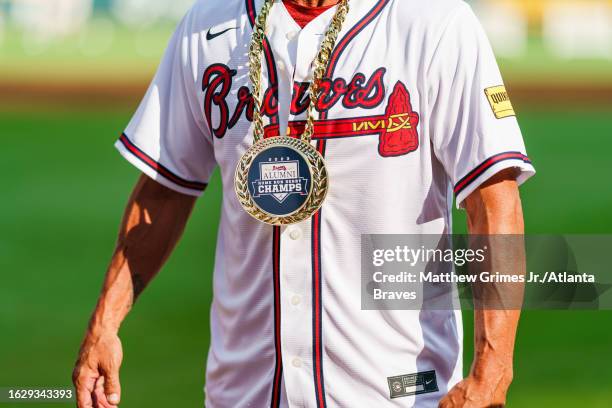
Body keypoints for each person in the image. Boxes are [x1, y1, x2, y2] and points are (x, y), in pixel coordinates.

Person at [73, 0, 535, 407]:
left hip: (397, 390)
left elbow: (492, 202)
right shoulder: (207, 26)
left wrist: (493, 370)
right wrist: (105, 324)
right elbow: (164, 190)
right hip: (244, 390)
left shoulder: (433, 22)